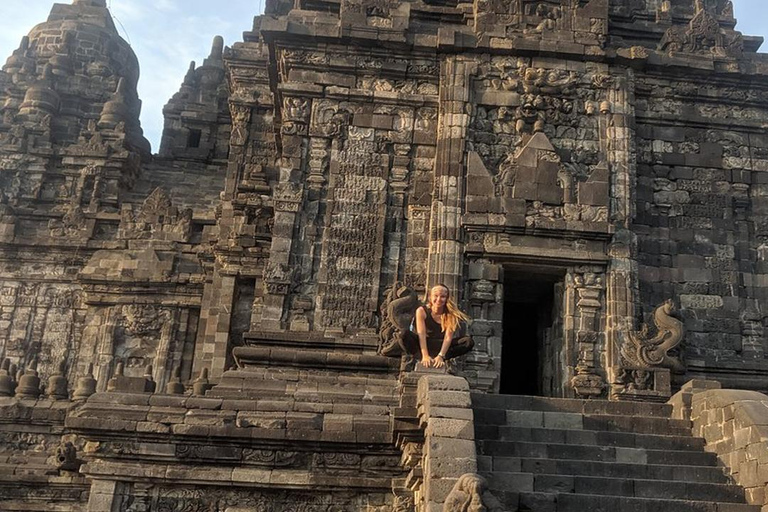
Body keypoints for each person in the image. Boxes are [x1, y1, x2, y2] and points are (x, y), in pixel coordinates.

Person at [400, 284, 474, 368]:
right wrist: (425, 355)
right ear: (430, 297)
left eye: (442, 296)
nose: (439, 299)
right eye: (436, 296)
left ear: (446, 299)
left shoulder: (451, 314)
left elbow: (448, 337)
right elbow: (422, 334)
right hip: (424, 343)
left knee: (468, 341)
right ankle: (419, 357)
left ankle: (441, 359)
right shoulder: (421, 311)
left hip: (441, 344)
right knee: (403, 334)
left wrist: (441, 356)